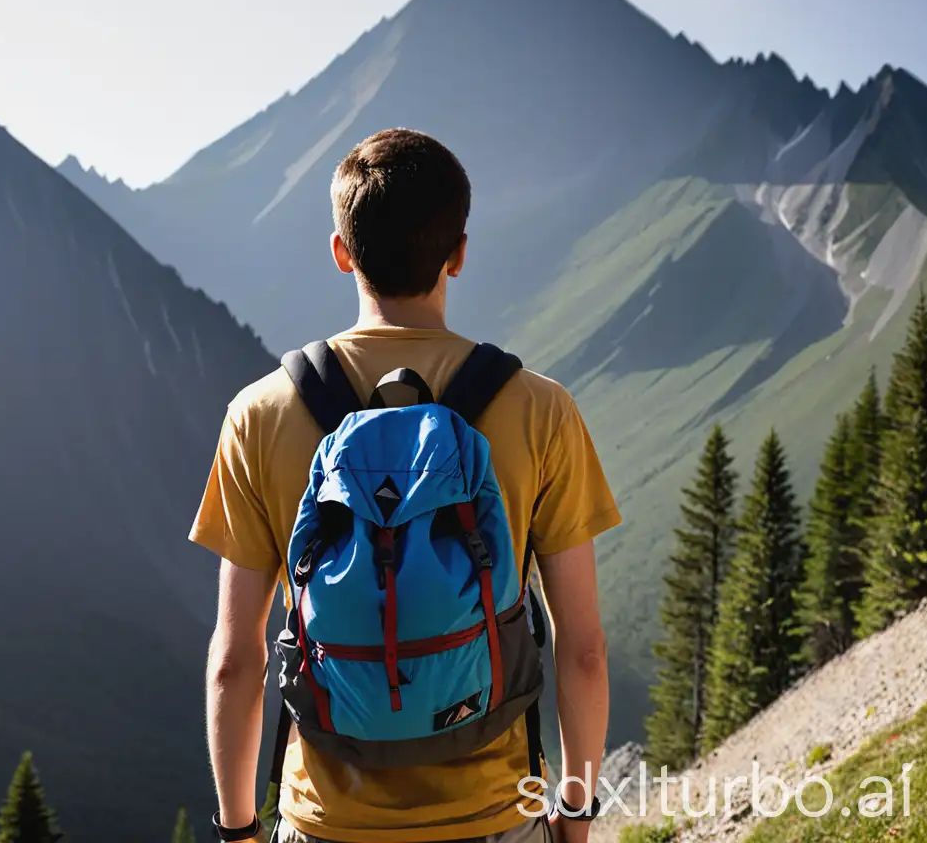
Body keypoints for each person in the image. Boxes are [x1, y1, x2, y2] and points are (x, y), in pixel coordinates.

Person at [190, 128, 621, 843]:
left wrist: (239, 830)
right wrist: (573, 816)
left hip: (326, 820)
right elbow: (583, 650)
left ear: (341, 253)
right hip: (494, 816)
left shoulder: (259, 414)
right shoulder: (540, 409)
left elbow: (238, 659)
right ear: (458, 252)